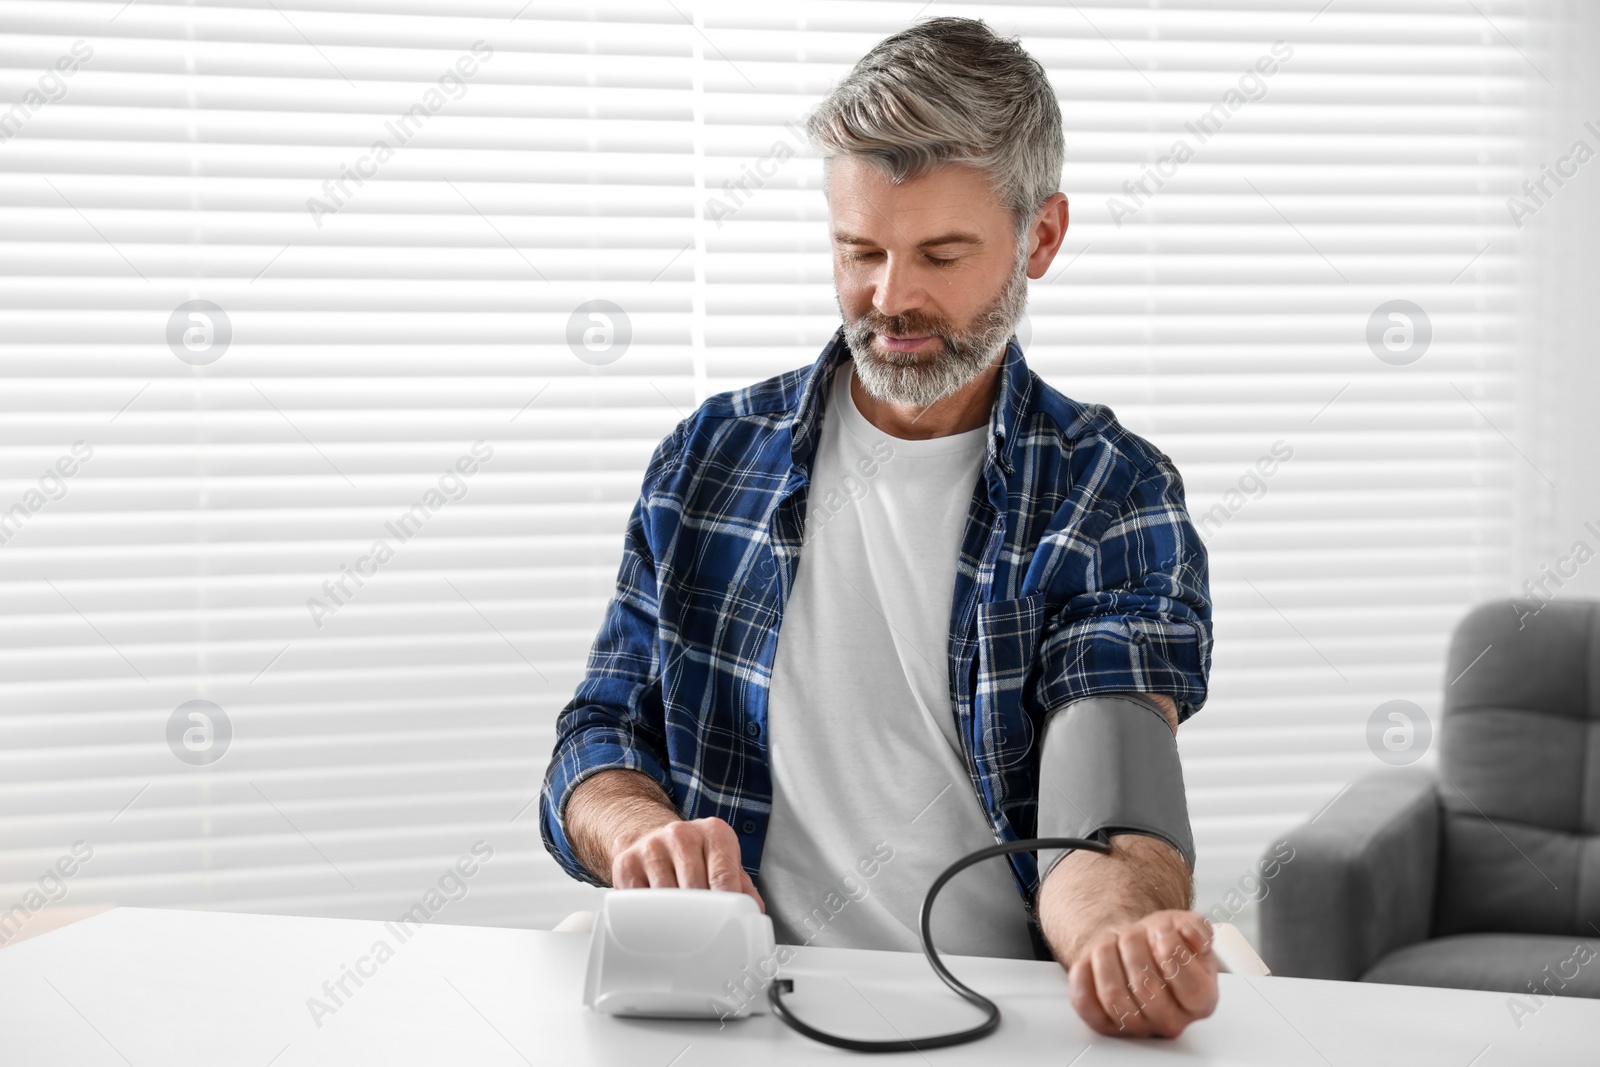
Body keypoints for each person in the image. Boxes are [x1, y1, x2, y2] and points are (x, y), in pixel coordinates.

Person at [539, 16, 1217, 1039]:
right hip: (733, 1003)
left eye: (941, 254)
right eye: (858, 250)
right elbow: (596, 736)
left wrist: (1118, 937)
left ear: (1040, 235)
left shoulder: (1107, 490)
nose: (889, 299)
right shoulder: (708, 457)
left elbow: (1107, 815)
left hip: (996, 1015)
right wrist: (639, 829)